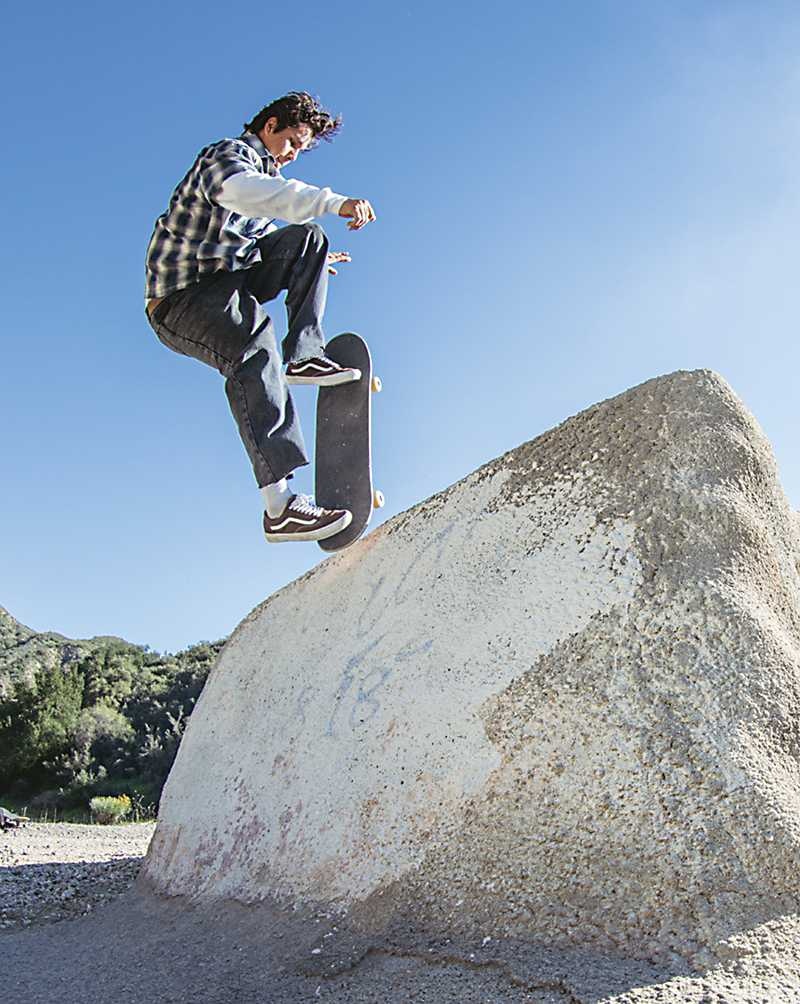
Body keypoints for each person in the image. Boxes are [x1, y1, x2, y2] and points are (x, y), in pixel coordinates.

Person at [144, 91, 376, 544]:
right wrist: (333, 201)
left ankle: (306, 355)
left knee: (309, 240)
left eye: (301, 149)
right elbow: (260, 196)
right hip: (181, 298)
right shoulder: (226, 158)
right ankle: (280, 507)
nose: (293, 155)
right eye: (291, 141)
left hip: (227, 281)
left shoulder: (266, 184)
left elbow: (268, 233)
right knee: (254, 343)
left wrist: (315, 261)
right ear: (269, 126)